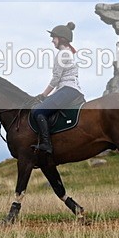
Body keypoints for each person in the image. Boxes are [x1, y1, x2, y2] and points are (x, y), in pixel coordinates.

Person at [31, 21, 85, 154]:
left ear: (61, 39)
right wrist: (50, 96)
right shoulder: (67, 53)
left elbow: (56, 79)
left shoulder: (62, 54)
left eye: (53, 38)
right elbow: (60, 82)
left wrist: (43, 95)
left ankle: (46, 144)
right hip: (68, 89)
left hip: (68, 89)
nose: (52, 41)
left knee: (38, 112)